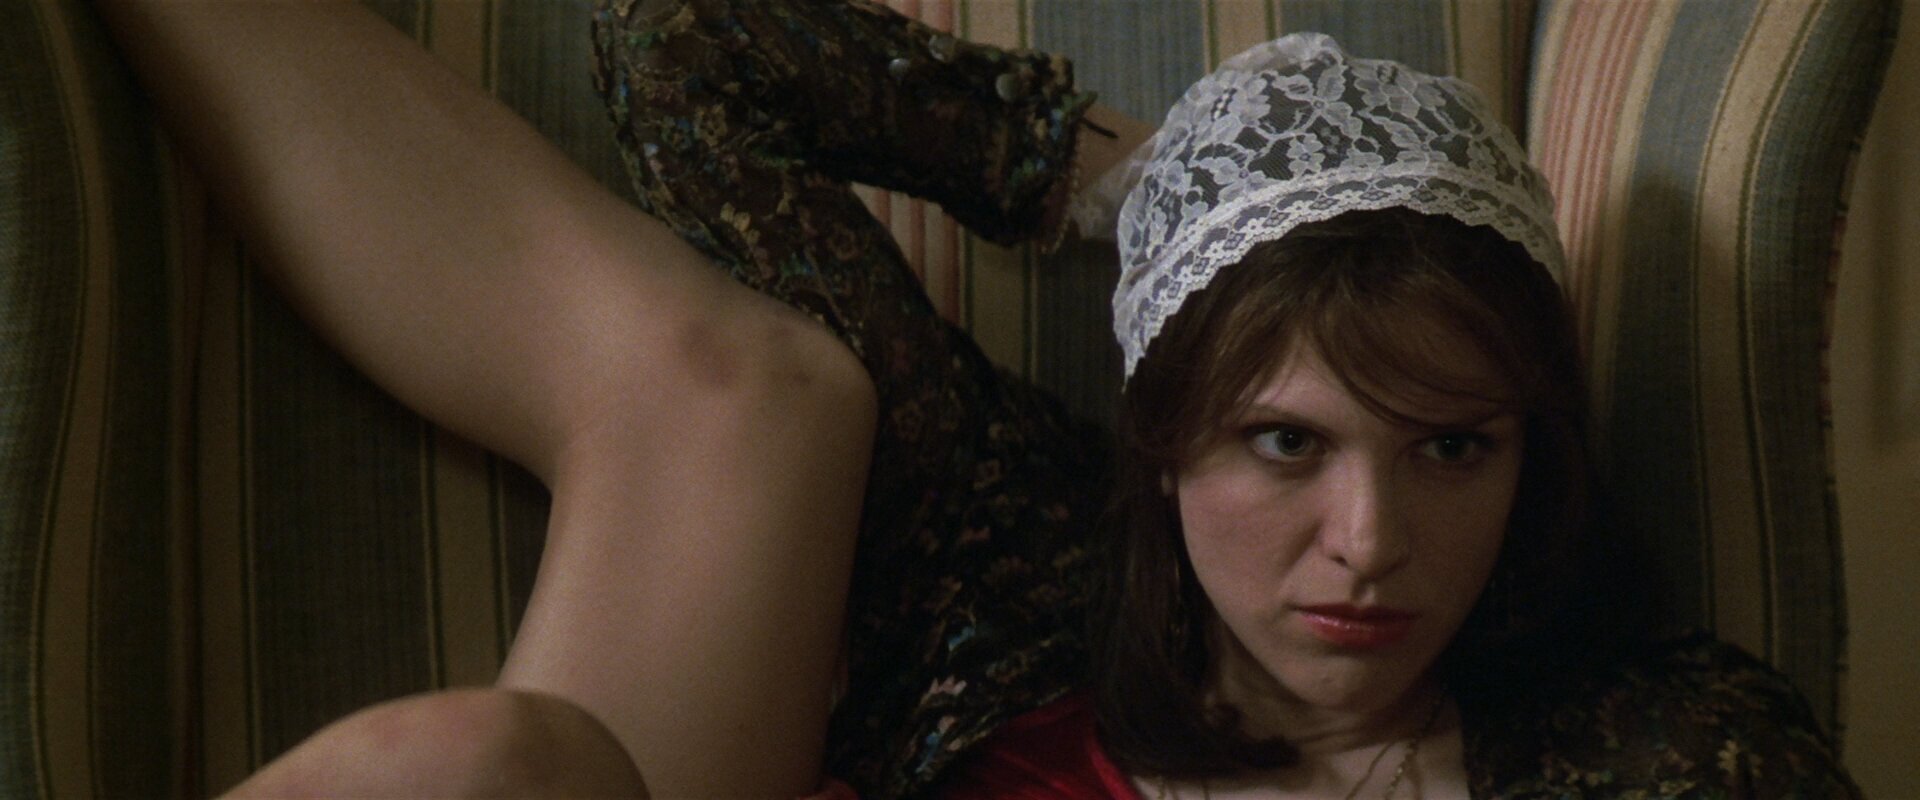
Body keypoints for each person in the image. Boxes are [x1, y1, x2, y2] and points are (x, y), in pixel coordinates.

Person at [92, 0, 1856, 797]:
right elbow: (688, 48)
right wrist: (1145, 187)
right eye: (1283, 442)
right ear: (1162, 437)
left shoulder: (1664, 747)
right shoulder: (1002, 553)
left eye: (1451, 448)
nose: (1368, 542)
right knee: (472, 764)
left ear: (1534, 454)